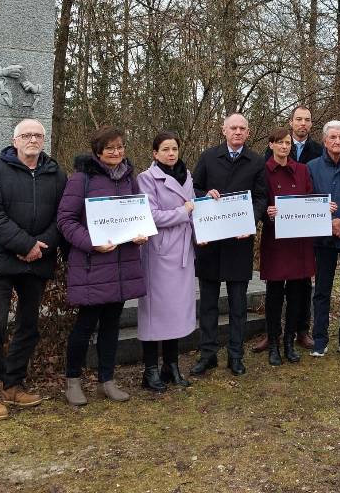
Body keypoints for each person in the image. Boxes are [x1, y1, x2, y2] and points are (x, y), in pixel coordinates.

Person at [0, 119, 66, 420]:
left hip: (37, 259)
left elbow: (63, 217)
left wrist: (41, 246)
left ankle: (14, 384)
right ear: (14, 141)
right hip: (0, 260)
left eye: (38, 135)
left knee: (28, 326)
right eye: (26, 135)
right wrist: (24, 244)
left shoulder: (56, 173)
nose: (32, 140)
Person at [57, 127, 147, 406]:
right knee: (85, 326)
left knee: (112, 325)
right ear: (98, 152)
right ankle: (73, 382)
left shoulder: (129, 179)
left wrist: (140, 233)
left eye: (120, 147)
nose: (117, 153)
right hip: (92, 265)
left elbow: (136, 214)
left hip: (122, 265)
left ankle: (106, 380)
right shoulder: (81, 180)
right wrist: (92, 242)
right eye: (110, 148)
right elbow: (65, 221)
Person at [190, 113, 268, 376]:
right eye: (233, 127)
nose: (237, 132)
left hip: (239, 243)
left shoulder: (256, 161)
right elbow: (194, 189)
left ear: (248, 132)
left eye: (242, 128)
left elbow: (260, 198)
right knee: (209, 304)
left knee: (237, 305)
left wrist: (250, 223)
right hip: (211, 243)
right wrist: (204, 194)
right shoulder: (209, 157)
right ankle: (208, 354)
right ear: (224, 130)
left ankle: (236, 355)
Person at [255, 105, 322, 352]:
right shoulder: (262, 169)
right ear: (272, 145)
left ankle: (292, 337)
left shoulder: (304, 169)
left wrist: (322, 208)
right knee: (274, 291)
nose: (284, 146)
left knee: (298, 290)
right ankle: (273, 338)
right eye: (280, 143)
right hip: (276, 239)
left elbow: (310, 197)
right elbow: (259, 199)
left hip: (299, 240)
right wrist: (265, 213)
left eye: (287, 143)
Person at [136, 132, 198, 391]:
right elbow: (151, 216)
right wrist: (183, 213)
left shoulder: (187, 175)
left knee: (176, 312)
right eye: (165, 149)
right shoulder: (146, 178)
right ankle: (150, 369)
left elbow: (195, 209)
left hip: (183, 252)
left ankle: (171, 365)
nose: (171, 153)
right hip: (159, 253)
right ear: (155, 153)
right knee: (154, 313)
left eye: (174, 148)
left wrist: (201, 232)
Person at [305, 120, 340, 358]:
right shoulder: (311, 167)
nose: (338, 141)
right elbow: (307, 198)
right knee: (322, 291)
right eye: (333, 138)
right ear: (325, 140)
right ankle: (319, 340)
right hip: (322, 238)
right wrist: (327, 223)